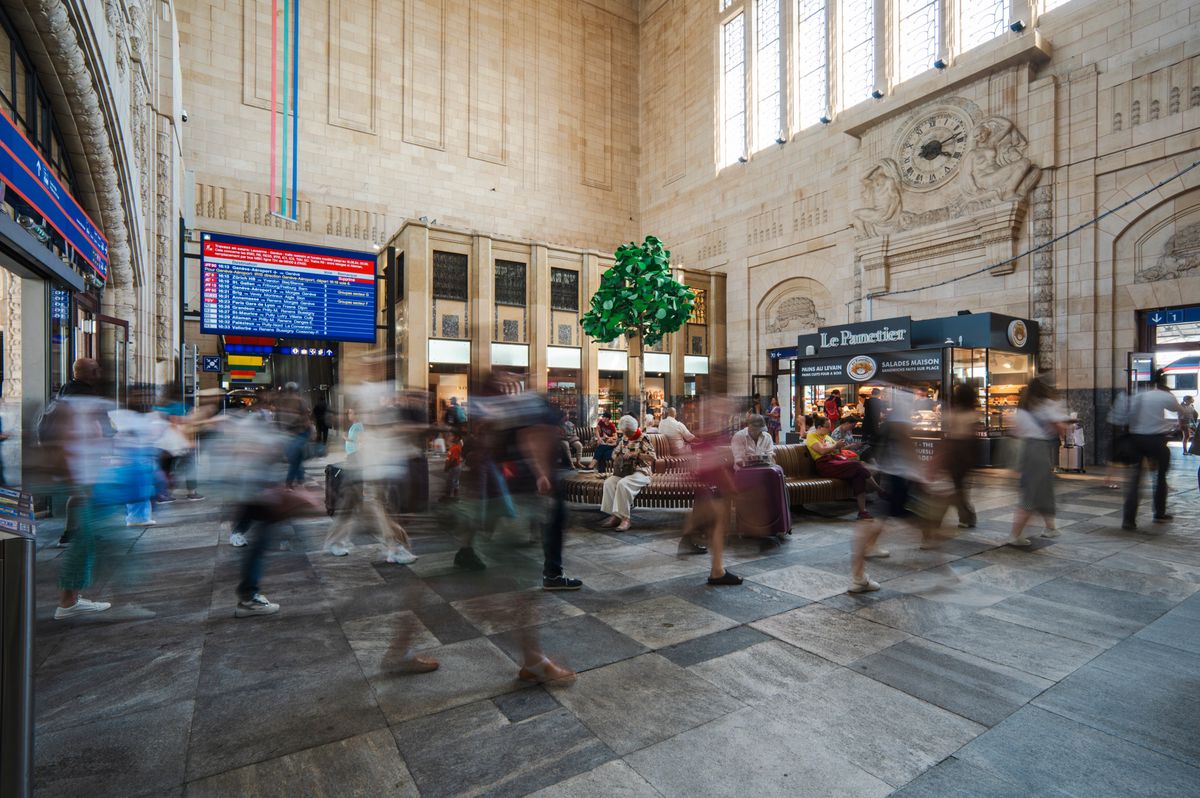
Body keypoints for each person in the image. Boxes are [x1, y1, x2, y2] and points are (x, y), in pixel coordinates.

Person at [679, 393, 742, 585]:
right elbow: (705, 444)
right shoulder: (712, 409)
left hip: (706, 473)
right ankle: (715, 568)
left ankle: (715, 567)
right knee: (718, 519)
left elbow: (704, 441)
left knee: (717, 519)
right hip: (706, 473)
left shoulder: (710, 410)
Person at [1115, 372, 1183, 529]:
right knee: (1160, 478)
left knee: (1135, 481)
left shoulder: (1138, 395)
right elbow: (1182, 410)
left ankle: (1128, 520)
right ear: (1164, 385)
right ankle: (1159, 513)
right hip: (1156, 440)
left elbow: (1121, 417)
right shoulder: (1165, 396)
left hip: (1135, 440)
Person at [1008, 376, 1070, 545]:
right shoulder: (1047, 406)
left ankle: (1050, 527)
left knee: (1043, 489)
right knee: (1032, 493)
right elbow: (1060, 429)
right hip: (1038, 450)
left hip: (1026, 449)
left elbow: (1015, 432)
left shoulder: (1022, 409)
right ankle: (1015, 535)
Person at [806, 416, 881, 520]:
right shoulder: (811, 436)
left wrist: (840, 446)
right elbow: (822, 451)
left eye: (830, 426)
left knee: (858, 475)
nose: (829, 429)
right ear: (819, 427)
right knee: (857, 465)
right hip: (824, 465)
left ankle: (863, 511)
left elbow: (837, 450)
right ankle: (878, 490)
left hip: (835, 461)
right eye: (827, 427)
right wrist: (836, 445)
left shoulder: (827, 437)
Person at [730, 415, 792, 538]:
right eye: (755, 429)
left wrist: (763, 458)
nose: (758, 432)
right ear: (749, 427)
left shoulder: (767, 436)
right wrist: (751, 460)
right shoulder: (739, 437)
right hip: (744, 473)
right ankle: (750, 524)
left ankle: (775, 522)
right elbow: (738, 459)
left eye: (760, 429)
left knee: (775, 480)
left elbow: (770, 454)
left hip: (765, 471)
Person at [599, 415, 655, 531]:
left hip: (641, 472)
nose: (627, 435)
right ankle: (615, 516)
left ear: (633, 429)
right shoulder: (624, 438)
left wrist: (636, 455)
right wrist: (619, 457)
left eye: (628, 432)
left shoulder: (644, 438)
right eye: (625, 432)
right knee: (609, 482)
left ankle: (625, 519)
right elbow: (615, 453)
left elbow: (653, 457)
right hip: (625, 471)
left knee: (623, 484)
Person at [275, 383, 313, 488]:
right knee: (296, 460)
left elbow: (276, 420)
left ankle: (298, 479)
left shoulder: (280, 402)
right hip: (300, 433)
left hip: (287, 434)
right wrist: (312, 432)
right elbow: (306, 418)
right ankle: (292, 481)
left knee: (295, 458)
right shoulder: (300, 401)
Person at [443, 431, 463, 499]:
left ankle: (448, 495)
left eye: (449, 436)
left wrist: (447, 467)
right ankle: (454, 495)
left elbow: (454, 460)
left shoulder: (455, 448)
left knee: (451, 481)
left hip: (454, 467)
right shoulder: (452, 448)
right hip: (455, 467)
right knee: (455, 481)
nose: (446, 438)